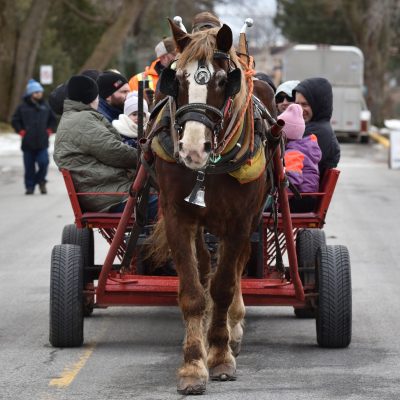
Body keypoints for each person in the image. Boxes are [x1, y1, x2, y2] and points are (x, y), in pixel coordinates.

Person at [53, 75, 137, 212]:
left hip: (100, 191)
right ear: (92, 98)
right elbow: (114, 151)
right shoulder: (83, 120)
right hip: (111, 195)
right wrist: (145, 156)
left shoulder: (73, 117)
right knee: (171, 204)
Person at [11, 79, 57, 195]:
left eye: (40, 92)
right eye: (36, 92)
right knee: (29, 168)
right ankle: (29, 187)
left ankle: (41, 181)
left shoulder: (46, 106)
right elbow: (15, 120)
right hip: (27, 143)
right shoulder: (22, 107)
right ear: (31, 93)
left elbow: (53, 119)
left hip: (42, 142)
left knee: (44, 163)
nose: (39, 94)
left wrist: (49, 130)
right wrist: (21, 131)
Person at [294, 77, 340, 177]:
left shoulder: (317, 132)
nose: (300, 109)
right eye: (297, 104)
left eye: (305, 104)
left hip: (300, 190)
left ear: (318, 105)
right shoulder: (315, 127)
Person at [280, 104, 321, 195]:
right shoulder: (301, 147)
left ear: (285, 136)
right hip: (307, 194)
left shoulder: (293, 153)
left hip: (302, 197)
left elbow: (292, 182)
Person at [128, 37, 176, 103]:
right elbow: (130, 109)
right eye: (175, 54)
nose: (181, 57)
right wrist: (142, 100)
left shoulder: (186, 76)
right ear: (164, 57)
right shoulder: (137, 80)